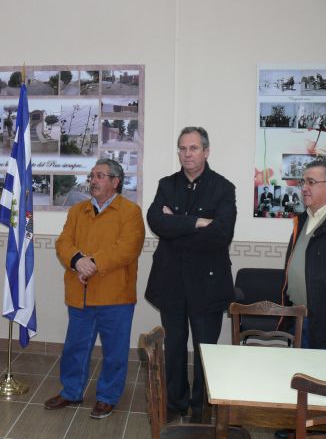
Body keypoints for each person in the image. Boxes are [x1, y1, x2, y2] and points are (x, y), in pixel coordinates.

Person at [145, 127, 236, 422]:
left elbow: (221, 235)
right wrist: (198, 222)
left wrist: (178, 225)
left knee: (204, 350)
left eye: (193, 148)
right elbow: (157, 221)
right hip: (170, 282)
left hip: (208, 285)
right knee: (173, 347)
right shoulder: (167, 184)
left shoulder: (223, 187)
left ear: (206, 152)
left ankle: (200, 408)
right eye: (182, 148)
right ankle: (175, 403)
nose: (187, 154)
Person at [44, 158, 145, 419]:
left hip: (115, 295)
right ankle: (71, 391)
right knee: (75, 346)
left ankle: (107, 396)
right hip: (81, 294)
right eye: (92, 176)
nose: (93, 181)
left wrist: (93, 263)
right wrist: (78, 260)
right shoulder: (78, 211)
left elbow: (127, 249)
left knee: (114, 351)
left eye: (100, 176)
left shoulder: (130, 212)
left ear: (115, 181)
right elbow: (64, 243)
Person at [282, 160, 326, 350]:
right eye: (302, 182)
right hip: (300, 320)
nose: (304, 188)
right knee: (302, 377)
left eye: (311, 182)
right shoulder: (303, 219)